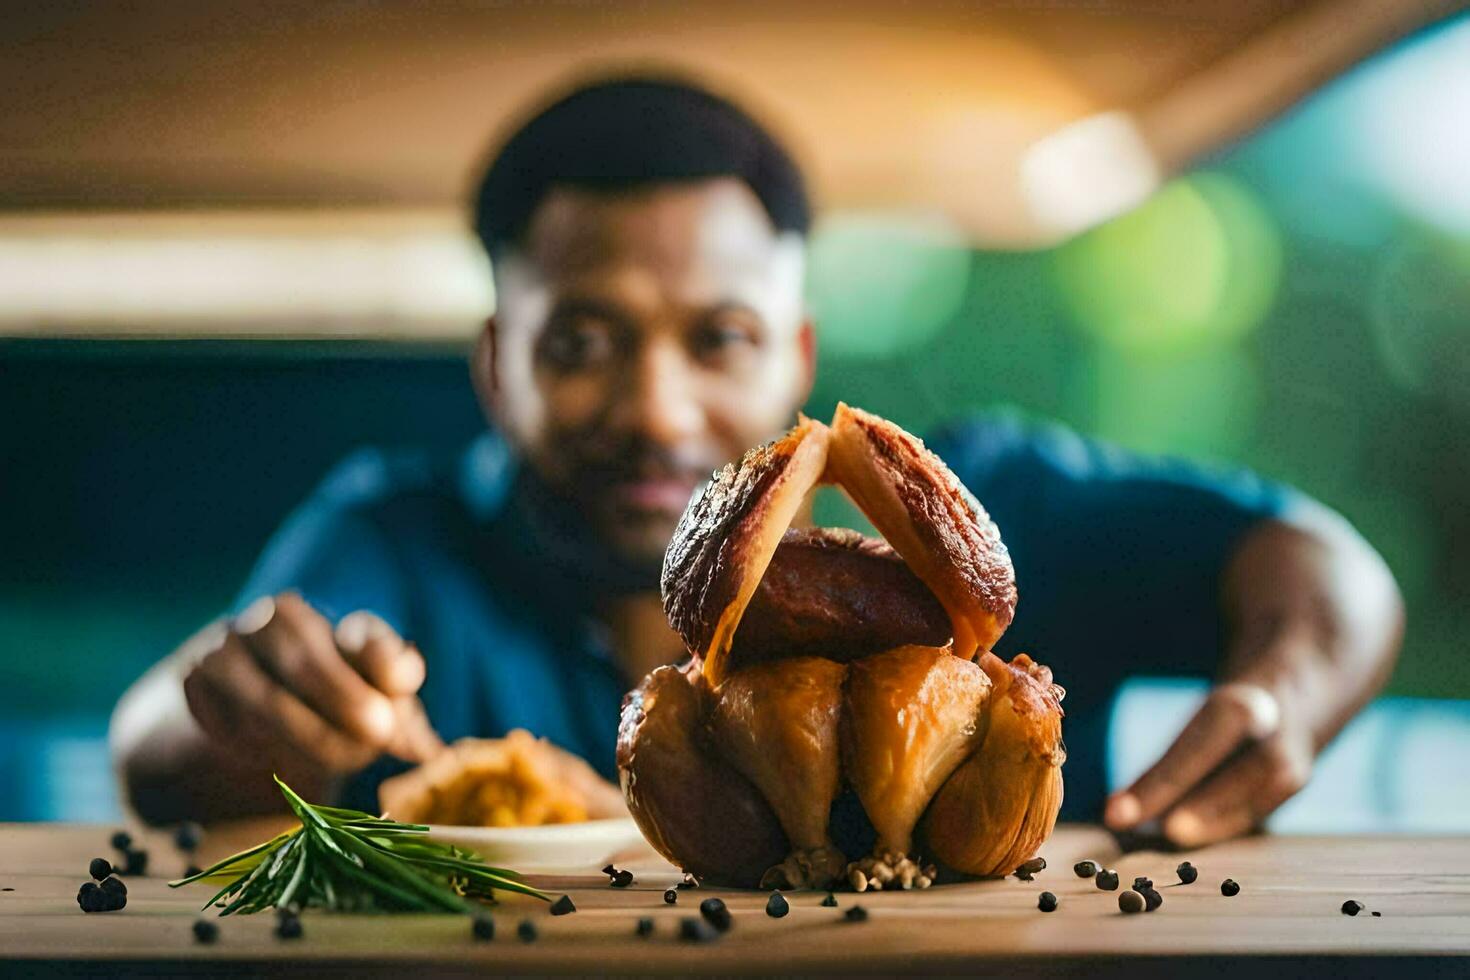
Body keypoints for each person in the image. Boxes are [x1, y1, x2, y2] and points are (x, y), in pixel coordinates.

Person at [111, 77, 1402, 848]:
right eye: (582, 342)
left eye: (716, 340)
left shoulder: (979, 506)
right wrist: (231, 699)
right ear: (496, 363)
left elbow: (1322, 564)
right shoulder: (397, 535)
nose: (654, 406)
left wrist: (1281, 698)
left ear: (794, 355)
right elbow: (161, 742)